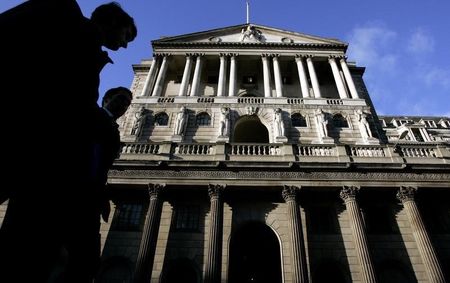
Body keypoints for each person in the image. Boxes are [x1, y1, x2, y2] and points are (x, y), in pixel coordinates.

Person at [0, 1, 137, 282]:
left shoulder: (84, 45)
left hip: (53, 167)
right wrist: (98, 120)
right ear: (113, 23)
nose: (124, 46)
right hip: (43, 160)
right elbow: (70, 102)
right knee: (28, 249)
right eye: (126, 36)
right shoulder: (66, 21)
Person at [58, 87, 132, 283]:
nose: (122, 105)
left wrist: (102, 194)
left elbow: (102, 167)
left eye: (126, 104)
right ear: (106, 99)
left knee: (87, 262)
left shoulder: (114, 132)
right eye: (120, 99)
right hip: (67, 191)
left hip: (89, 197)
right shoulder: (90, 114)